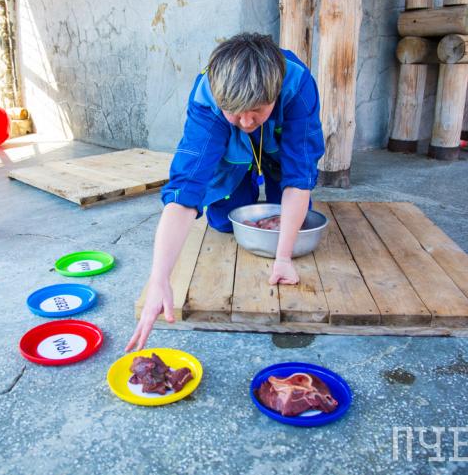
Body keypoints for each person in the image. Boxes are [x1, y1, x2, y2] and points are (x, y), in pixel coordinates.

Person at [125, 33, 324, 351]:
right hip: (232, 155)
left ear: (275, 93)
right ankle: (244, 179)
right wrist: (159, 278)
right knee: (223, 222)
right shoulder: (207, 99)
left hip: (279, 146)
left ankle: (270, 181)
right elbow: (185, 189)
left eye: (257, 110)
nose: (246, 121)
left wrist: (283, 257)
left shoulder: (298, 86)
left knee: (290, 222)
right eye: (235, 112)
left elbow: (300, 176)